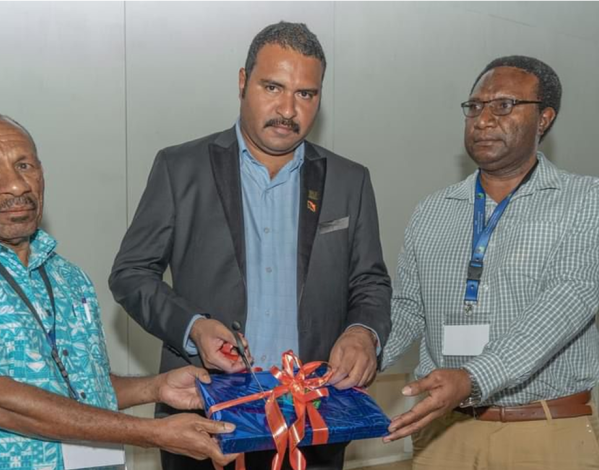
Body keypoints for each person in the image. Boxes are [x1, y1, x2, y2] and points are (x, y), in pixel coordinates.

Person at [0, 110, 238, 470]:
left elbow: (80, 390)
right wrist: (151, 433)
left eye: (25, 165)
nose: (16, 185)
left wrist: (155, 389)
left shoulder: (67, 277)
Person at [109, 22, 391, 470]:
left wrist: (363, 332)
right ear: (243, 82)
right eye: (273, 87)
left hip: (315, 424)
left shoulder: (349, 180)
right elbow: (130, 274)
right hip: (207, 420)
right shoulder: (180, 168)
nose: (288, 109)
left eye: (305, 94)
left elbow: (370, 282)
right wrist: (194, 327)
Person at [381, 56, 599, 469]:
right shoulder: (432, 211)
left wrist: (471, 379)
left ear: (544, 118)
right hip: (444, 433)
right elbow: (407, 309)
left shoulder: (586, 201)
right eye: (475, 106)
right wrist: (361, 356)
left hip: (544, 431)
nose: (482, 120)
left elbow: (562, 306)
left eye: (503, 105)